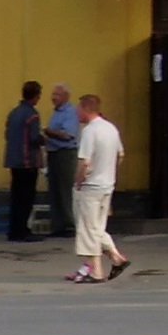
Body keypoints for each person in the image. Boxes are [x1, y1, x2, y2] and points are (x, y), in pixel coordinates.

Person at [71, 93, 130, 284]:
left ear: (87, 108)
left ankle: (96, 271)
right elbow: (120, 155)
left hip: (91, 186)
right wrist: (110, 173)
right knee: (96, 227)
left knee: (87, 229)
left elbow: (84, 162)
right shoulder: (111, 128)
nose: (77, 112)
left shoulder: (90, 131)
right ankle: (116, 258)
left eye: (79, 108)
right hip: (107, 185)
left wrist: (78, 181)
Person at [3, 80, 45, 242]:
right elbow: (34, 138)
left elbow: (7, 134)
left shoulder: (13, 113)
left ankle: (14, 229)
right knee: (26, 198)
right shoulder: (32, 115)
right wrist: (45, 140)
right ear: (35, 96)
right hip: (28, 161)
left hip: (13, 160)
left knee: (16, 197)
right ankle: (22, 231)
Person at [43, 83, 79, 237]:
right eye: (53, 94)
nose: (53, 97)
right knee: (54, 189)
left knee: (64, 189)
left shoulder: (70, 112)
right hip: (53, 153)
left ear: (65, 97)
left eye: (56, 95)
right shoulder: (56, 112)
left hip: (65, 154)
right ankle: (58, 225)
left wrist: (48, 132)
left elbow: (68, 135)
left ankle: (68, 225)